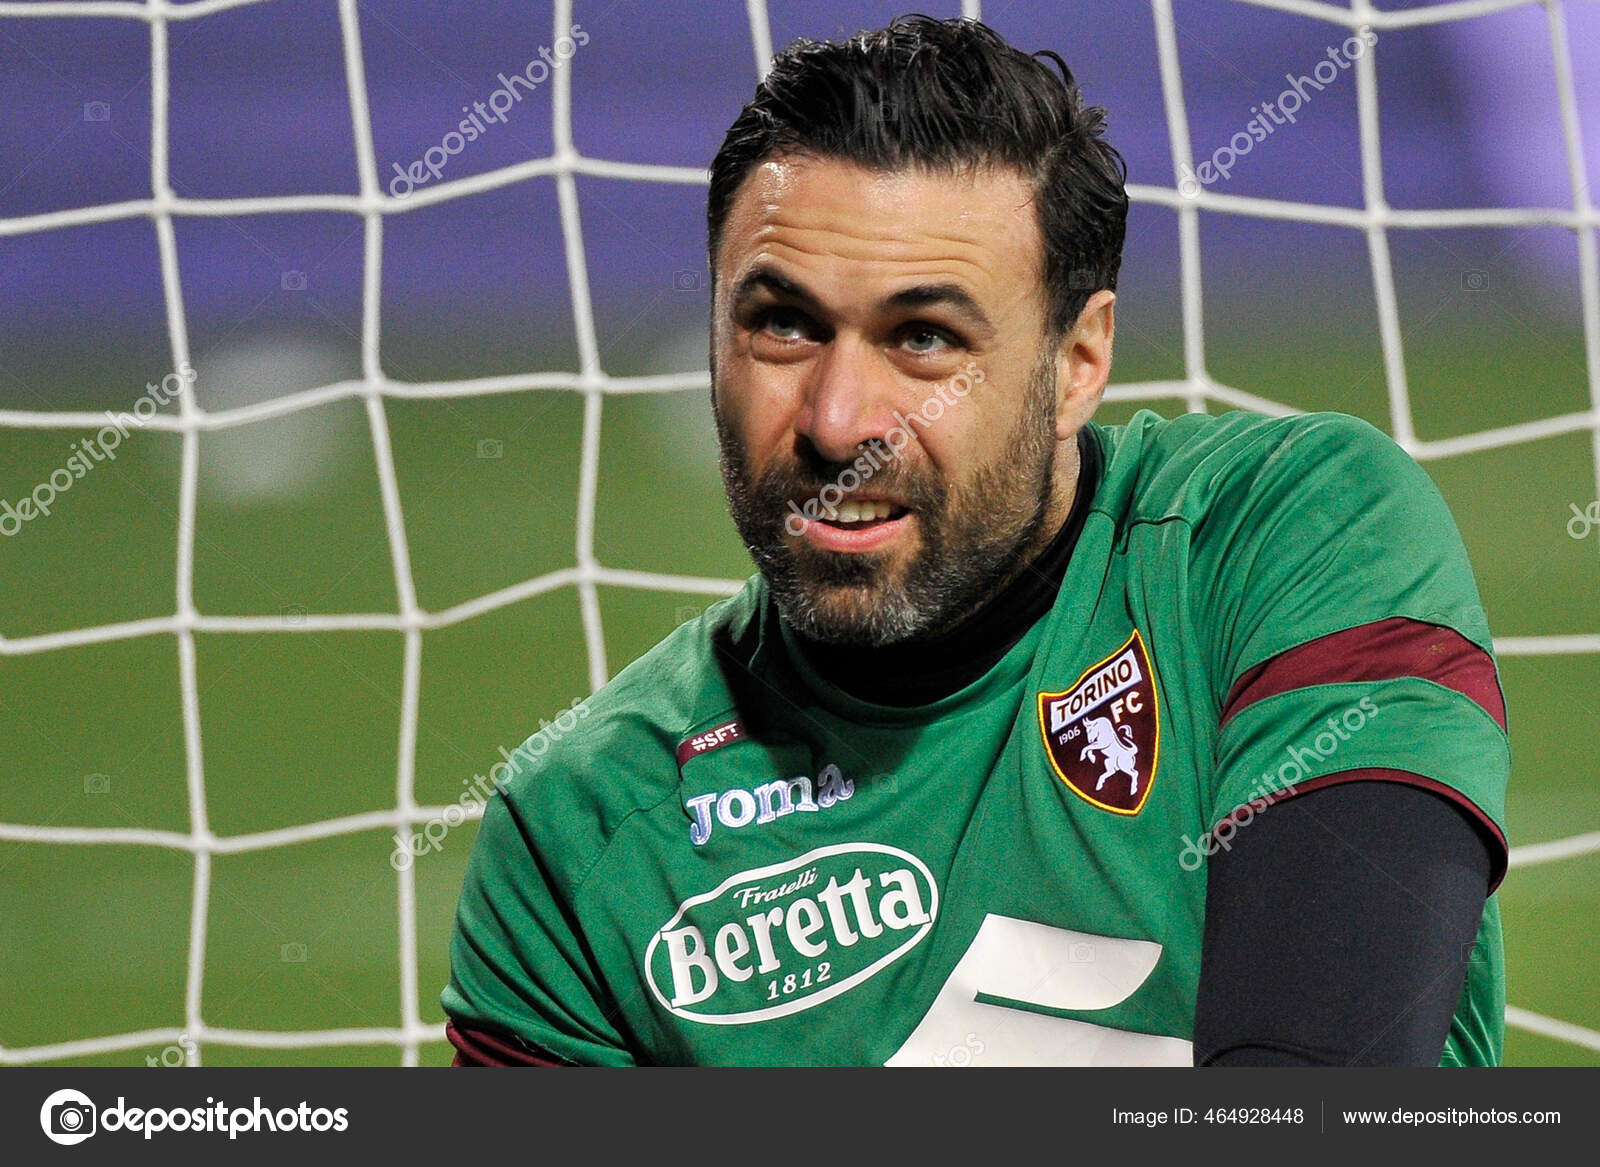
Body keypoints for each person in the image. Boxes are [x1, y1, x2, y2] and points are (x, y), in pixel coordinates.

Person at [441, 16, 1508, 1067]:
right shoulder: (579, 836)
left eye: (923, 338)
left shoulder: (1279, 539)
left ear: (1077, 362)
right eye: (782, 322)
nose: (837, 419)